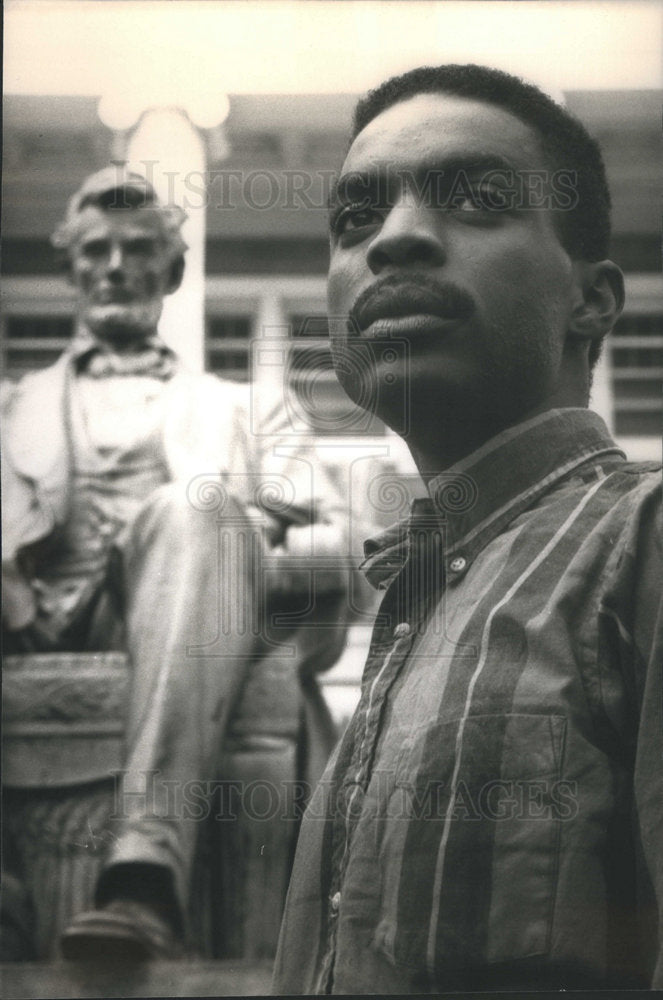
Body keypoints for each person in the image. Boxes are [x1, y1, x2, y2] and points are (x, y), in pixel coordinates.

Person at [272, 64, 662, 993]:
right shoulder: (409, 612)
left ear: (591, 300)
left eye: (478, 200)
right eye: (354, 219)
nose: (394, 239)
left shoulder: (643, 542)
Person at [1, 166, 349, 960]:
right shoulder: (8, 409)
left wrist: (236, 532)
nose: (116, 267)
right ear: (70, 270)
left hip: (196, 627)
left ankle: (144, 876)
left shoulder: (249, 410)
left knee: (193, 507)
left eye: (137, 249)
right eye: (96, 250)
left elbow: (335, 550)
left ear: (171, 269)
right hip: (30, 618)